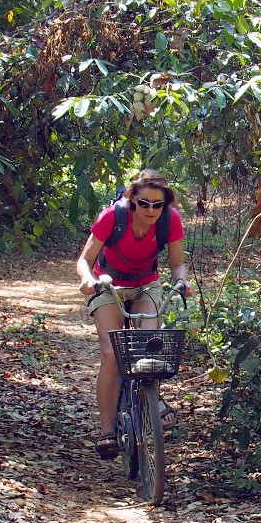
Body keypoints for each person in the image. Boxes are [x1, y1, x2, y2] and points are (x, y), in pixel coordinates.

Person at [76, 169, 194, 459]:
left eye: (158, 205)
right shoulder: (112, 217)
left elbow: (177, 263)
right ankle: (107, 431)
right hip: (108, 285)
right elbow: (85, 260)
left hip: (146, 285)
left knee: (148, 349)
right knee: (111, 354)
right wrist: (86, 280)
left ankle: (152, 401)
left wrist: (182, 280)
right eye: (144, 203)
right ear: (132, 200)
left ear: (165, 205)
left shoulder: (171, 220)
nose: (151, 210)